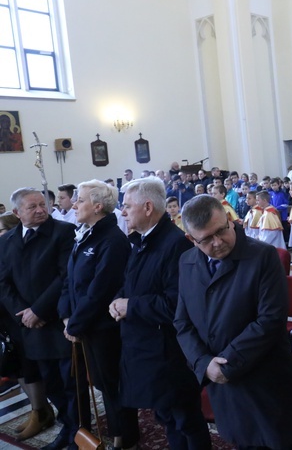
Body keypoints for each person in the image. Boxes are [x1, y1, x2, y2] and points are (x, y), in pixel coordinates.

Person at [175, 195, 292, 448]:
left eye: (221, 231)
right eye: (206, 239)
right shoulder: (187, 262)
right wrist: (204, 363)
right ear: (191, 240)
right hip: (221, 385)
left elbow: (269, 321)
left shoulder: (262, 256)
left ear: (229, 220)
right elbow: (182, 322)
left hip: (265, 382)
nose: (218, 243)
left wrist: (225, 366)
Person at [110, 177, 211, 449]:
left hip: (168, 352)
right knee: (167, 416)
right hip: (146, 346)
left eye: (127, 206)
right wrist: (120, 299)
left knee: (184, 418)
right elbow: (134, 283)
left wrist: (130, 306)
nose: (123, 211)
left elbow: (177, 304)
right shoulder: (143, 240)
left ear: (146, 207)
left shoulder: (174, 244)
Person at [58, 180, 139, 450]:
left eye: (79, 200)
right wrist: (66, 315)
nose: (74, 204)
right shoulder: (87, 233)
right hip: (84, 323)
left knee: (112, 383)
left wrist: (76, 323)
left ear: (98, 206)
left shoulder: (113, 240)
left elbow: (100, 290)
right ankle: (116, 431)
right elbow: (70, 279)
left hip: (103, 326)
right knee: (102, 384)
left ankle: (124, 436)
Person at [0, 188, 83, 450]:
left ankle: (78, 434)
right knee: (51, 386)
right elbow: (3, 283)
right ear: (16, 213)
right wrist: (24, 313)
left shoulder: (63, 232)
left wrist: (38, 311)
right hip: (29, 326)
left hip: (57, 322)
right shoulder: (6, 241)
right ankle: (68, 428)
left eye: (42, 205)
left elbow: (65, 277)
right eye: (32, 207)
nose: (40, 210)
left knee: (72, 386)